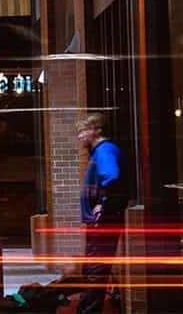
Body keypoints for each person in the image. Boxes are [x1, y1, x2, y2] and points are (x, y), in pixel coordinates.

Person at [75, 113, 126, 313]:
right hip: (99, 221)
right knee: (93, 268)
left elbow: (112, 176)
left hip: (103, 222)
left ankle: (88, 310)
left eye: (83, 131)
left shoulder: (105, 151)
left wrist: (103, 205)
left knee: (96, 269)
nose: (80, 136)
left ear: (96, 130)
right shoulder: (100, 152)